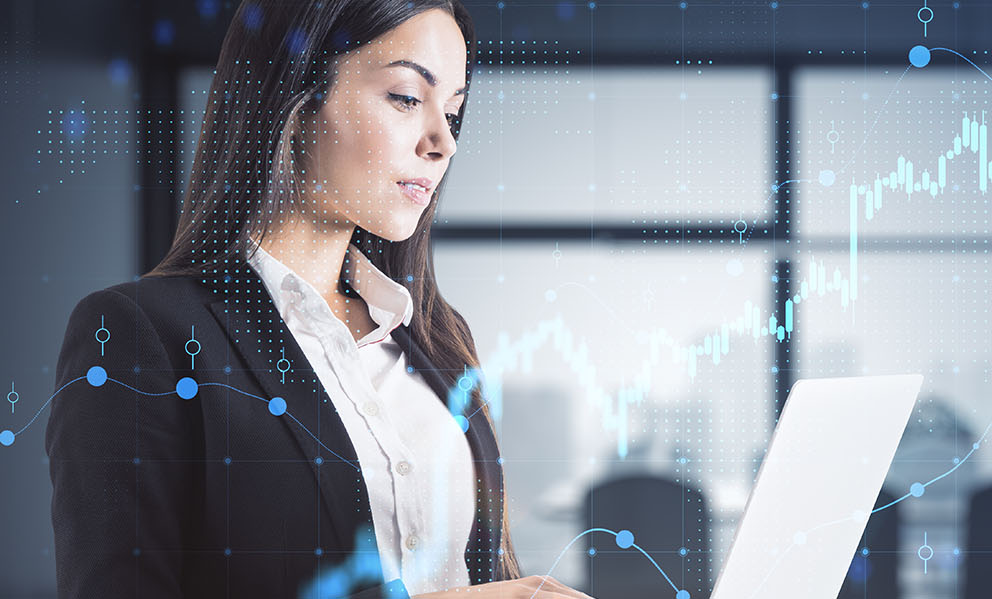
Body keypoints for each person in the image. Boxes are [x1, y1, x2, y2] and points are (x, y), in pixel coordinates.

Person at [44, 1, 590, 597]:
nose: (443, 143)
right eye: (407, 98)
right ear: (296, 101)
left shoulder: (436, 335)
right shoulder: (139, 333)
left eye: (453, 111)